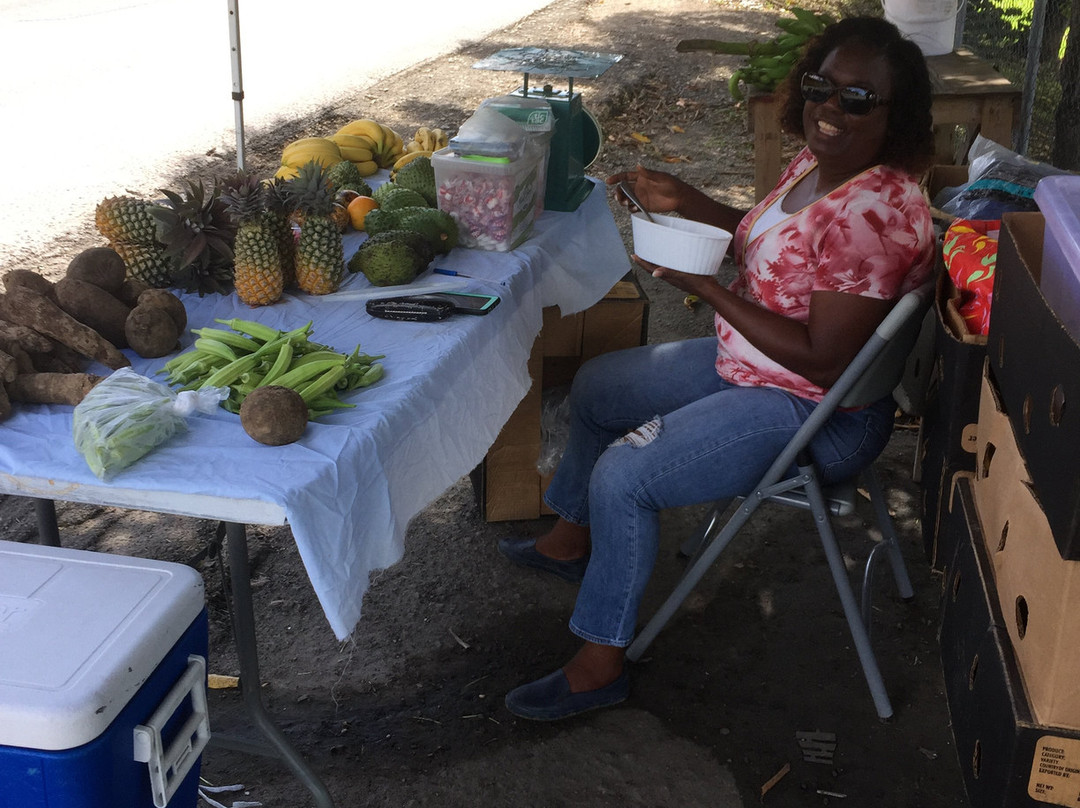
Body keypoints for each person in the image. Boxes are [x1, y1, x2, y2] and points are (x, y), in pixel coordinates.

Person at [498, 16, 937, 721]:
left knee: (626, 475)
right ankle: (570, 540)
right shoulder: (822, 163)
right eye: (821, 86)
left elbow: (826, 360)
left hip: (819, 412)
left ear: (897, 114)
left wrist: (704, 287)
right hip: (761, 365)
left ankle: (599, 663)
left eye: (858, 98)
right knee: (599, 387)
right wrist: (685, 199)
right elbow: (768, 242)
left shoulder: (873, 216)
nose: (830, 108)